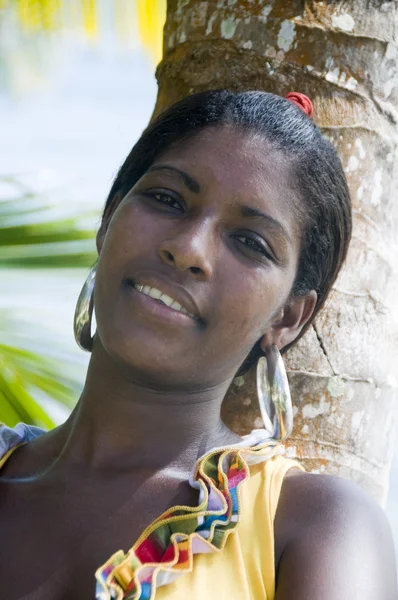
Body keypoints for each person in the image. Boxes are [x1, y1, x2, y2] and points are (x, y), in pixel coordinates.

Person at [0, 90, 396, 600]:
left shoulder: (313, 528)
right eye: (167, 199)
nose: (188, 249)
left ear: (287, 317)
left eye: (251, 242)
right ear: (109, 220)